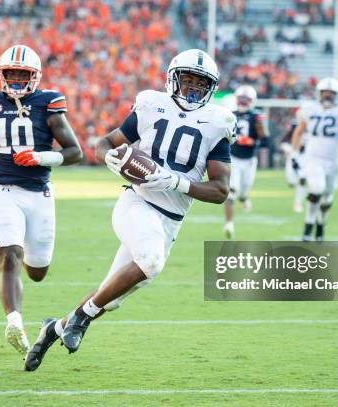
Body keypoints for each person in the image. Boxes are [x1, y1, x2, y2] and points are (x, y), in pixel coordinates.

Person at [24, 49, 236, 371]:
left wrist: (174, 182)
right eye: (187, 80)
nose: (192, 88)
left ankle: (53, 329)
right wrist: (107, 158)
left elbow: (220, 190)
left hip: (170, 222)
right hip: (136, 203)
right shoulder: (152, 105)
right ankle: (82, 317)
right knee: (151, 260)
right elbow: (105, 143)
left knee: (112, 296)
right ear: (172, 79)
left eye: (200, 83)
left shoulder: (217, 123)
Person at [0, 44, 83, 354]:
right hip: (3, 191)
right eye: (10, 73)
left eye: (21, 74)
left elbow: (75, 152)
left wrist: (41, 157)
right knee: (9, 255)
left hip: (39, 194)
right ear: (1, 74)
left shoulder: (48, 104)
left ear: (34, 76)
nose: (15, 79)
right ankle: (14, 321)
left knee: (37, 271)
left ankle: (25, 253)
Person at [290, 77, 338, 241]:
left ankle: (320, 225)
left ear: (336, 95)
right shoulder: (309, 109)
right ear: (319, 93)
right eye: (325, 92)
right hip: (313, 158)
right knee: (316, 189)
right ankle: (308, 227)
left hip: (334, 161)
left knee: (327, 196)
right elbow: (299, 131)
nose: (328, 95)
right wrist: (294, 153)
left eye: (331, 93)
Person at [223, 85, 266, 238]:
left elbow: (264, 138)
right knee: (231, 191)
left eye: (246, 99)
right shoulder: (230, 115)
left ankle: (244, 197)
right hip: (233, 158)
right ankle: (229, 224)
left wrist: (255, 137)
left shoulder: (256, 117)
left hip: (249, 160)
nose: (243, 101)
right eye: (241, 98)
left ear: (252, 101)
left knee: (244, 190)